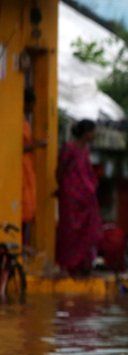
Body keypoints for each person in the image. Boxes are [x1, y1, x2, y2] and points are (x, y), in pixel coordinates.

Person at [55, 119, 102, 276]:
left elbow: (87, 171)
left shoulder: (86, 150)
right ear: (86, 133)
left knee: (88, 228)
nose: (94, 135)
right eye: (92, 131)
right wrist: (61, 188)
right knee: (68, 230)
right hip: (70, 195)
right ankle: (65, 265)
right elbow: (61, 169)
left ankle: (83, 264)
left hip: (86, 196)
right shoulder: (69, 148)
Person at [22, 89, 46, 244]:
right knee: (22, 207)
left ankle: (22, 244)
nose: (33, 108)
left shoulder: (24, 122)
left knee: (28, 207)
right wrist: (36, 145)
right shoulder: (16, 120)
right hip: (19, 169)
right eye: (32, 104)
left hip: (26, 169)